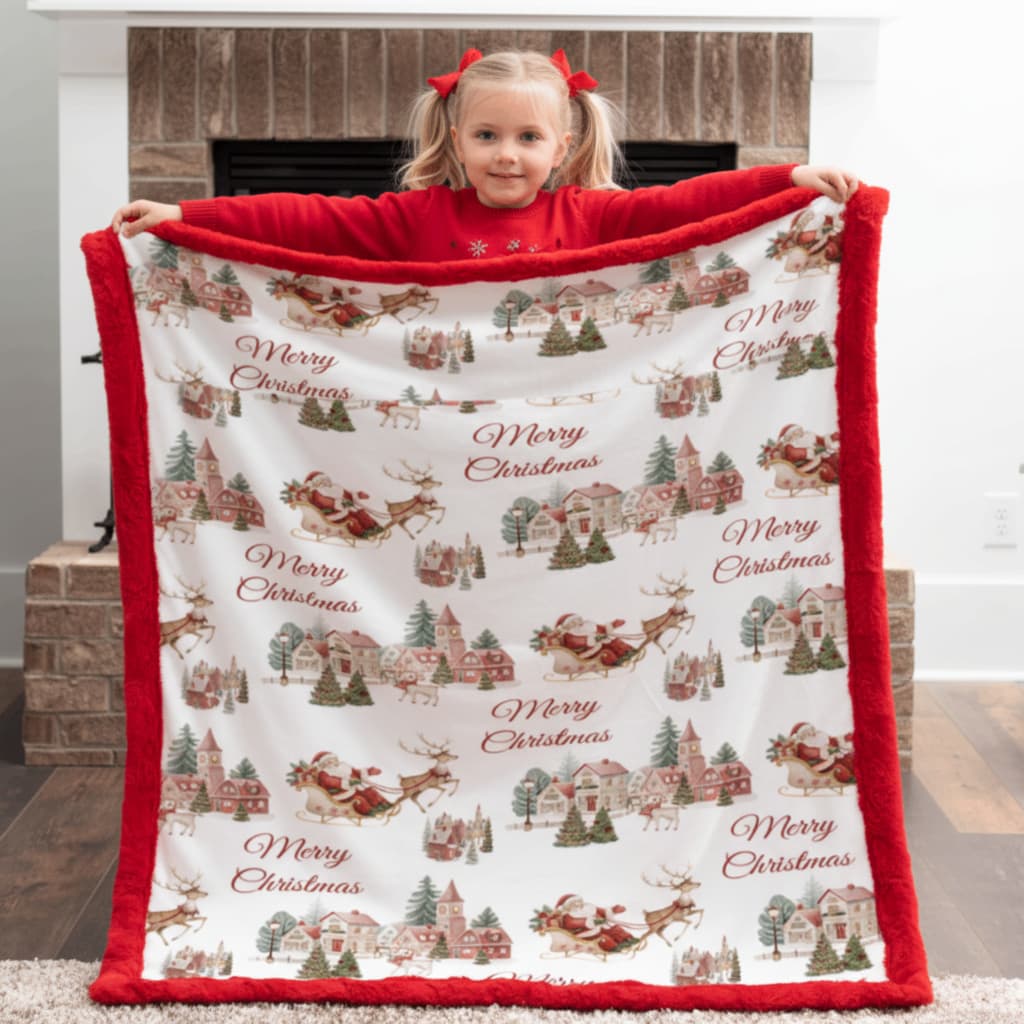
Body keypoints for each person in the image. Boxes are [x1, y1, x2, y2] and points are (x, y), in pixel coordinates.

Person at [111, 49, 858, 262]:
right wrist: (184, 211)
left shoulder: (592, 215)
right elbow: (304, 218)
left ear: (562, 146)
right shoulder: (417, 215)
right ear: (456, 138)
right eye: (488, 136)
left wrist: (788, 177)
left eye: (529, 139)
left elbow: (690, 201)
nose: (508, 155)